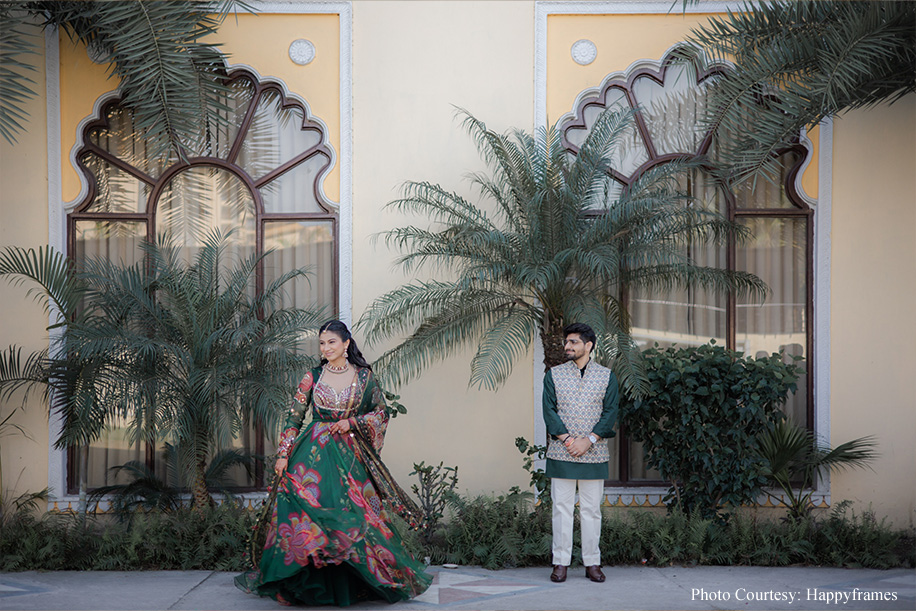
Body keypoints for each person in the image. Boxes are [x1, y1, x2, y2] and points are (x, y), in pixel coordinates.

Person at [235, 320, 431, 607]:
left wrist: (352, 421)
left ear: (346, 344)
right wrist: (283, 453)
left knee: (356, 515)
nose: (326, 348)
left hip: (350, 457)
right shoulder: (311, 377)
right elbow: (294, 418)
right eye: (322, 343)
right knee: (309, 518)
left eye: (331, 342)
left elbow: (381, 414)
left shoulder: (365, 378)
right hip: (313, 456)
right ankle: (304, 585)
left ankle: (354, 585)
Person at [542, 322, 619, 584]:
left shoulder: (607, 376)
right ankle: (560, 562)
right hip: (561, 452)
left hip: (594, 453)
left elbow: (610, 413)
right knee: (561, 509)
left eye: (573, 342)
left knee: (591, 510)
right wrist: (567, 439)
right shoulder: (554, 375)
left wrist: (588, 440)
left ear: (589, 345)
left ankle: (592, 562)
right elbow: (549, 411)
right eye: (566, 342)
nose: (567, 346)